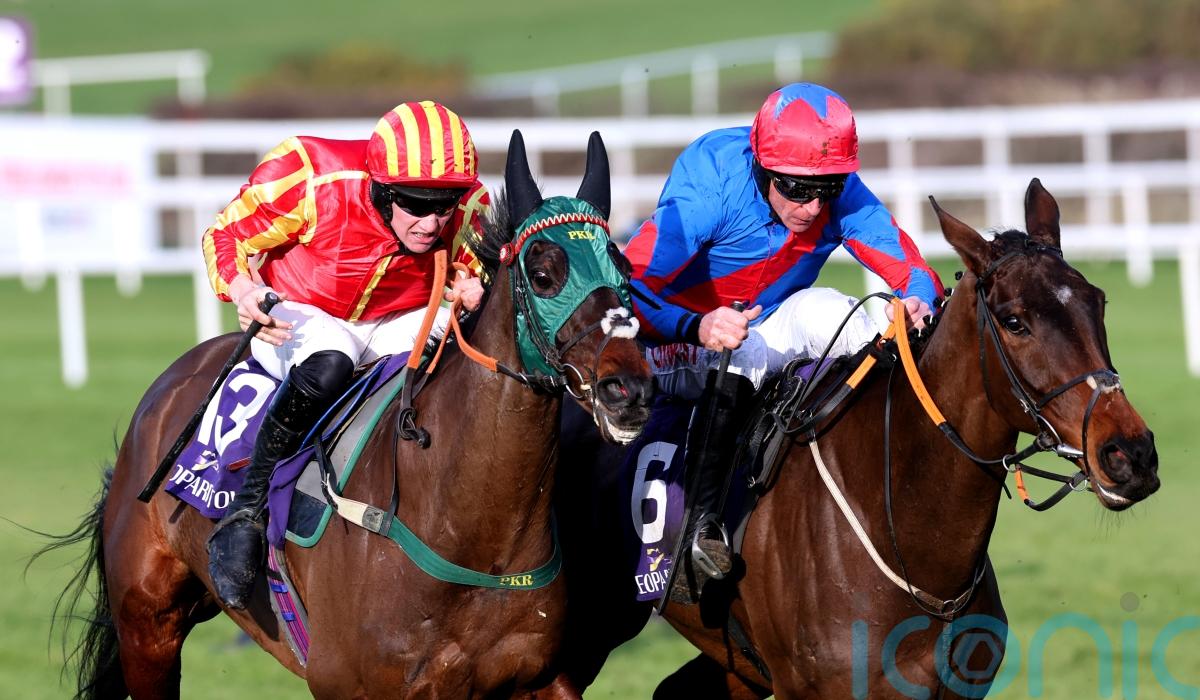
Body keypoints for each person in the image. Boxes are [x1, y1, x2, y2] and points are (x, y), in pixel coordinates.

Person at [623, 82, 944, 590]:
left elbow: (912, 269)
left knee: (848, 316)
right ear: (761, 166)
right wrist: (697, 325)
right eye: (796, 189)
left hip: (765, 322)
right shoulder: (713, 181)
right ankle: (698, 532)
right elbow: (627, 289)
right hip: (676, 338)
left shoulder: (831, 184)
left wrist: (917, 302)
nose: (813, 208)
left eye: (828, 189)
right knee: (743, 350)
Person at [202, 100, 488, 609]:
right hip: (303, 310)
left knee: (467, 353)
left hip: (397, 318)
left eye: (444, 205)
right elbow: (225, 234)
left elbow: (479, 269)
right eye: (415, 204)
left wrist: (473, 286)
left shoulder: (468, 207)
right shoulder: (309, 176)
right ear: (381, 188)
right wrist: (243, 290)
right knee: (332, 360)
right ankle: (246, 508)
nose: (431, 223)